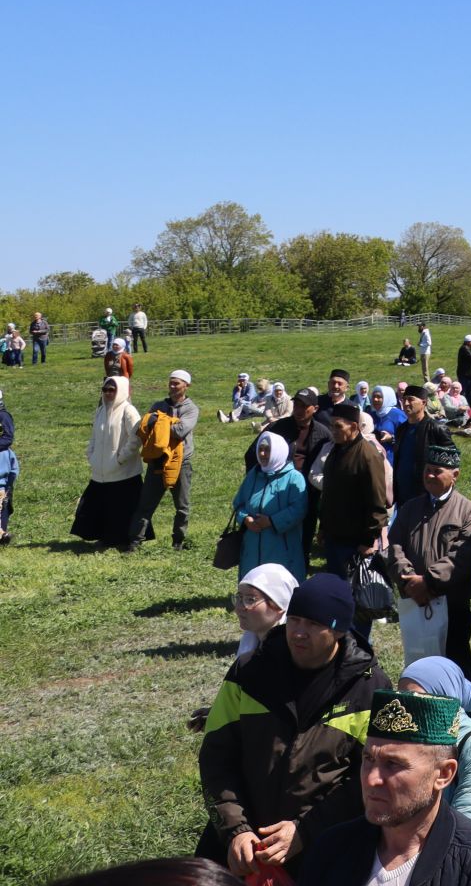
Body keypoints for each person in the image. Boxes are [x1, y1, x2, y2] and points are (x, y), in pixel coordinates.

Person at [197, 575, 391, 876]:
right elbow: (216, 757)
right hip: (241, 849)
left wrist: (306, 830)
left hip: (326, 850)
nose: (299, 633)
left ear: (338, 631)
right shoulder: (250, 673)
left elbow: (369, 778)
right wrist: (237, 829)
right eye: (295, 619)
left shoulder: (368, 689)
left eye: (314, 624)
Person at [296, 688, 471, 886]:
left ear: (444, 775)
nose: (372, 779)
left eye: (393, 764)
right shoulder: (331, 851)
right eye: (369, 759)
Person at [386, 430, 471, 678]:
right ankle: (424, 711)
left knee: (456, 661)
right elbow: (395, 545)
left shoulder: (469, 512)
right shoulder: (410, 508)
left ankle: (464, 713)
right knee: (419, 661)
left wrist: (428, 583)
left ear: (455, 476)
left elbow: (461, 558)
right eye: (427, 469)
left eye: (437, 471)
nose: (430, 475)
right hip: (414, 600)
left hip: (452, 602)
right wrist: (409, 581)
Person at [396, 658, 471, 837]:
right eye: (403, 697)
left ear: (446, 695)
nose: (407, 707)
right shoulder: (408, 739)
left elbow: (469, 831)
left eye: (420, 698)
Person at [317, 405, 391, 582]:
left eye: (338, 426)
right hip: (334, 534)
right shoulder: (337, 449)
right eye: (331, 425)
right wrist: (323, 528)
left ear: (354, 427)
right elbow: (329, 493)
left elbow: (376, 501)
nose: (332, 431)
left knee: (352, 589)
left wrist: (368, 540)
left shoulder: (368, 455)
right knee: (335, 586)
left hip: (355, 540)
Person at [129, 370, 199, 551]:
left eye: (177, 383)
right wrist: (166, 422)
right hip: (157, 460)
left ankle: (178, 541)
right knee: (145, 504)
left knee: (182, 506)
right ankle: (135, 542)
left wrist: (158, 422)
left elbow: (180, 431)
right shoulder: (158, 405)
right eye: (171, 382)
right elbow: (143, 425)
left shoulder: (191, 409)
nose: (172, 386)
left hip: (181, 463)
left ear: (186, 386)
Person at [73, 375, 144, 547]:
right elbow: (94, 436)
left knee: (121, 509)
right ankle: (105, 537)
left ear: (121, 391)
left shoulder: (129, 410)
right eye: (105, 390)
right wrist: (91, 454)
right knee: (100, 506)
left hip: (123, 473)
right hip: (100, 471)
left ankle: (124, 539)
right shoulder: (101, 410)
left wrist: (121, 459)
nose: (108, 393)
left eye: (112, 390)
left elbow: (136, 438)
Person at [231, 433, 308, 581]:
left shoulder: (294, 478)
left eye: (267, 450)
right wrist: (245, 519)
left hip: (282, 546)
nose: (262, 454)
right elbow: (238, 503)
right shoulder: (254, 474)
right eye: (260, 449)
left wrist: (272, 521)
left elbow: (298, 509)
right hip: (252, 546)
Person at [232, 562, 298, 661]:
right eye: (239, 597)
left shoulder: (290, 654)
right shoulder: (250, 641)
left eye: (250, 600)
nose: (240, 607)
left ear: (279, 605)